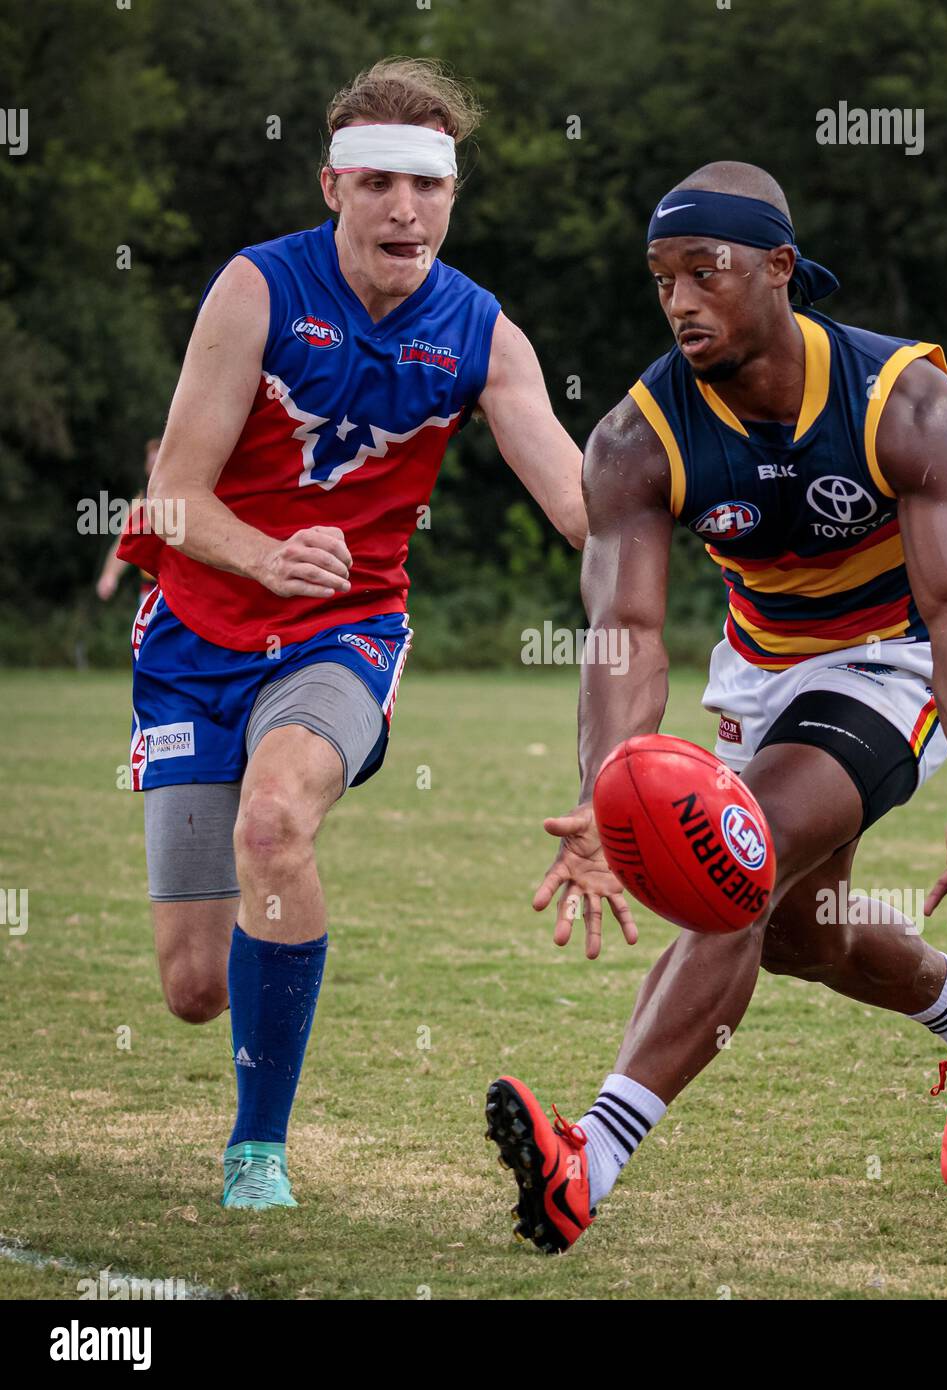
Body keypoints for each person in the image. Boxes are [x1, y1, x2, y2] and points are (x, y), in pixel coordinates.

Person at [487, 162, 947, 1254]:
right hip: (756, 673)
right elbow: (627, 633)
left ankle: (584, 1163)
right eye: (661, 281)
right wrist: (605, 789)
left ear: (780, 269)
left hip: (890, 664)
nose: (681, 301)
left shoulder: (906, 400)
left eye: (706, 271)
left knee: (730, 865)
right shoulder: (635, 438)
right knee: (797, 931)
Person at [117, 58, 586, 1210]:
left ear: (451, 197)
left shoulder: (481, 331)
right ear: (332, 185)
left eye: (428, 186)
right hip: (193, 637)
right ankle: (275, 964)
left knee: (275, 823)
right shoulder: (255, 292)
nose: (405, 209)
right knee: (190, 986)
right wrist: (266, 555)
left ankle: (257, 1151)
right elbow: (174, 493)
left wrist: (720, 504)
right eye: (378, 182)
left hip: (346, 632)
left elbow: (583, 508)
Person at [96, 438, 161, 602]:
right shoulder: (140, 502)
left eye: (158, 461)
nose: (154, 467)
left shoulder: (184, 496)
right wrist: (110, 575)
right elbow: (124, 542)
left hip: (181, 586)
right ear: (146, 467)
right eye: (151, 462)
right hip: (151, 588)